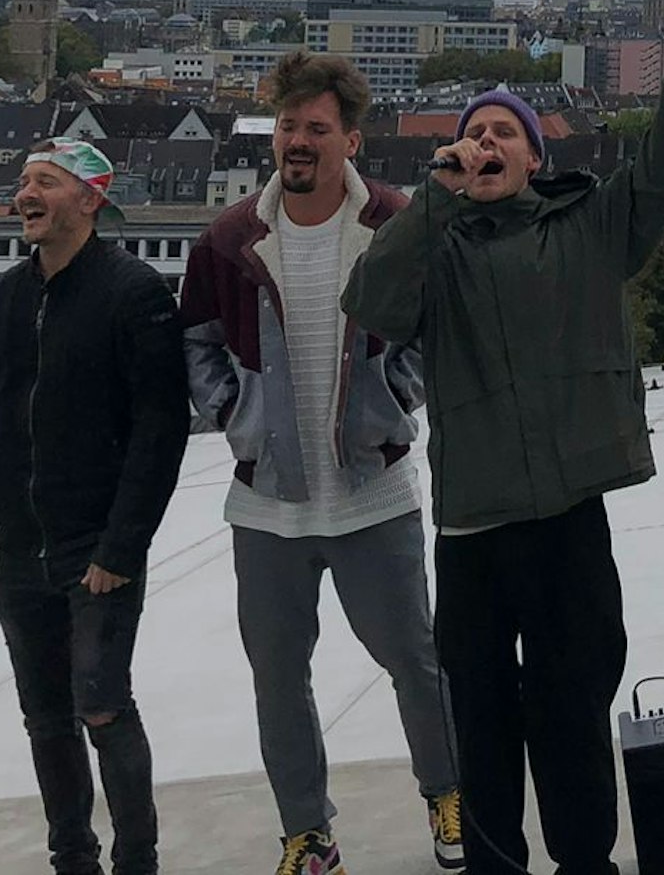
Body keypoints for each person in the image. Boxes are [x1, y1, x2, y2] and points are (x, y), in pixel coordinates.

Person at [342, 0, 664, 875]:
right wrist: (434, 197)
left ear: (536, 156)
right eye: (473, 133)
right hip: (474, 527)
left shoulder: (588, 224)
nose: (485, 142)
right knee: (480, 717)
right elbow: (374, 303)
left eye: (503, 132)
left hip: (566, 519)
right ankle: (494, 864)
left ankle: (585, 861)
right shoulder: (436, 244)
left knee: (572, 706)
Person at [179, 52, 464, 873]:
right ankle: (307, 831)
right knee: (277, 676)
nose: (297, 141)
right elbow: (195, 341)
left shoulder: (394, 223)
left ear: (350, 138)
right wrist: (237, 419)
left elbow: (429, 327)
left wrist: (389, 406)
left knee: (414, 657)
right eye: (287, 126)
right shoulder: (230, 240)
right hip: (267, 503)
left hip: (373, 492)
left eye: (315, 127)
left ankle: (450, 795)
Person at [0, 138, 190, 875]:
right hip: (21, 554)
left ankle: (136, 861)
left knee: (103, 707)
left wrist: (122, 548)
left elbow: (159, 432)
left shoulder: (135, 293)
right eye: (23, 182)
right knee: (46, 719)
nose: (26, 194)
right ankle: (71, 858)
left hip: (95, 550)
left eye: (45, 181)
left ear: (89, 198)